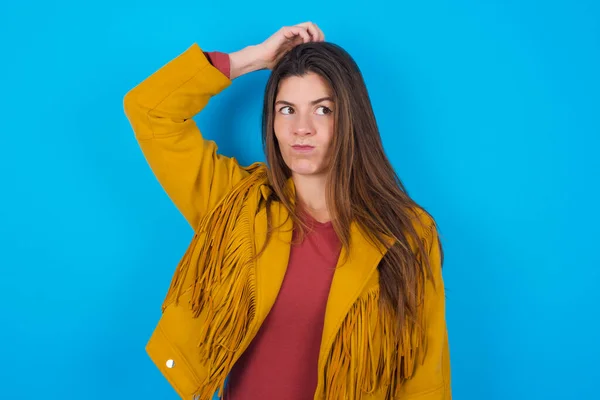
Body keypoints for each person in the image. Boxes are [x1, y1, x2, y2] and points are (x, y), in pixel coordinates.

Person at [124, 22, 451, 400]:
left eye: (323, 110)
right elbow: (149, 111)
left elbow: (424, 376)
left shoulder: (408, 233)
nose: (302, 129)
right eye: (287, 109)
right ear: (273, 121)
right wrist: (251, 59)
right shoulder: (233, 204)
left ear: (351, 119)